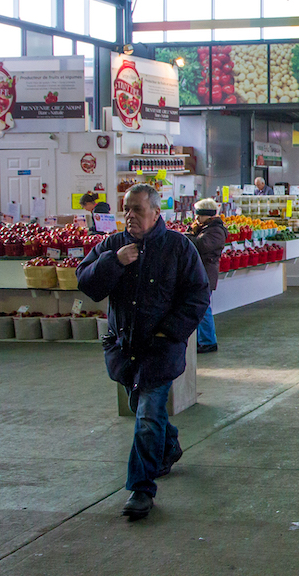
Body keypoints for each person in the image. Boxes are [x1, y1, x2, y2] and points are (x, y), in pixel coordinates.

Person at [76, 184, 210, 521]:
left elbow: (198, 294)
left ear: (155, 212)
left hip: (160, 350)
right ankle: (170, 446)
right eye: (126, 208)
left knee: (148, 415)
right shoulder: (112, 246)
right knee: (144, 410)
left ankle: (141, 489)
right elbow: (87, 284)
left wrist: (170, 332)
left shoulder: (179, 247)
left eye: (137, 209)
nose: (130, 216)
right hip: (125, 349)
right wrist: (114, 262)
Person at [186, 198, 227, 354]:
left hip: (206, 274)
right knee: (199, 308)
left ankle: (208, 341)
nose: (196, 218)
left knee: (203, 309)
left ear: (208, 215)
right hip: (200, 273)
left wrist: (186, 237)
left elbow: (201, 245)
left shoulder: (216, 231)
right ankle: (201, 340)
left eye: (199, 215)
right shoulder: (205, 228)